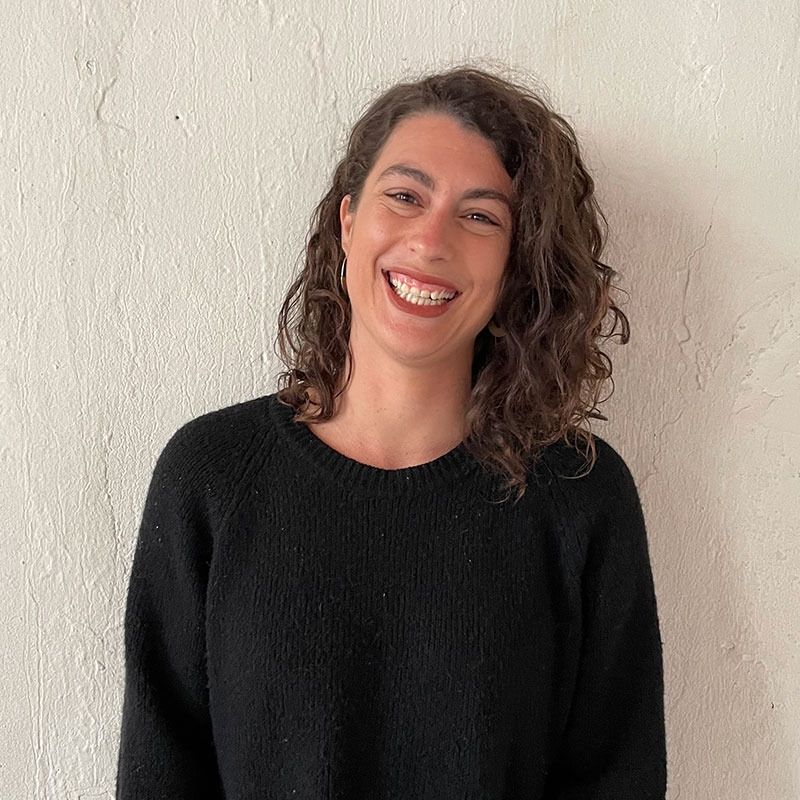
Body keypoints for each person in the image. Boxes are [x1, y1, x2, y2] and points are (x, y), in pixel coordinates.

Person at [116, 66, 667, 799]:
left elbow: (618, 779)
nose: (430, 240)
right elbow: (159, 773)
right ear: (348, 222)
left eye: (480, 216)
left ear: (516, 265)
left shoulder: (579, 497)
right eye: (405, 196)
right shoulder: (213, 477)